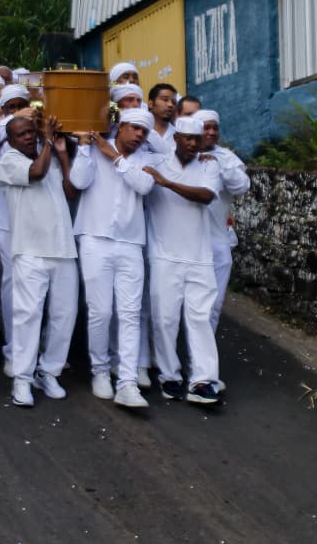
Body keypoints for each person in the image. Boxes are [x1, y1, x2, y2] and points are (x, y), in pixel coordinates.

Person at [70, 108, 156, 408]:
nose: (139, 135)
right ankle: (100, 371)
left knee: (130, 314)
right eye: (134, 128)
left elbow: (144, 185)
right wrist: (84, 147)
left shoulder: (146, 158)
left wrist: (115, 158)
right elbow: (79, 182)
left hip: (131, 244)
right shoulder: (93, 149)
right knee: (100, 312)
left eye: (144, 131)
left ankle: (128, 382)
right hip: (94, 239)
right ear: (119, 126)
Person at [142, 116, 224, 403]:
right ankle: (170, 376)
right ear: (175, 139)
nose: (192, 143)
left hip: (199, 257)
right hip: (164, 256)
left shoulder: (209, 164)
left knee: (200, 319)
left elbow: (206, 196)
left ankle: (203, 381)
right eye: (186, 138)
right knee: (165, 319)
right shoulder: (157, 164)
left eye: (196, 139)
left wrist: (167, 183)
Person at [0, 115, 78, 407]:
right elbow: (37, 173)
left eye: (31, 131)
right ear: (10, 140)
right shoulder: (9, 160)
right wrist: (48, 142)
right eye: (22, 134)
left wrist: (63, 154)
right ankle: (22, 378)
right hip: (29, 251)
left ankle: (49, 371)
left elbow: (72, 191)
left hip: (63, 248)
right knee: (27, 315)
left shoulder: (52, 156)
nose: (29, 137)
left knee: (64, 315)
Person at [194, 110, 251, 343]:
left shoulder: (226, 157)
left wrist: (219, 163)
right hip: (188, 246)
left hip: (218, 244)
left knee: (214, 307)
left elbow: (240, 186)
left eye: (214, 128)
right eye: (205, 127)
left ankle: (204, 368)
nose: (211, 132)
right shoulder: (182, 156)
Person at [0, 84, 32, 376]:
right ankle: (13, 350)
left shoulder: (37, 136)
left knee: (36, 288)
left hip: (36, 226)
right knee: (13, 287)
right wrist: (7, 124)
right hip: (6, 224)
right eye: (11, 107)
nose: (18, 112)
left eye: (22, 106)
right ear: (3, 111)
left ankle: (35, 347)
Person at [147, 83, 178, 154]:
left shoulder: (179, 136)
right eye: (165, 100)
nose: (170, 105)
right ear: (150, 104)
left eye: (174, 102)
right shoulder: (139, 130)